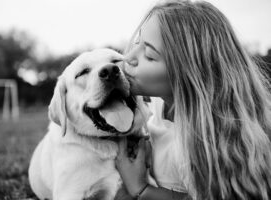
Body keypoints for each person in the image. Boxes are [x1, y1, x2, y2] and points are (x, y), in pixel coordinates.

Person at [115, 0, 271, 200]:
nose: (129, 57)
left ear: (187, 75)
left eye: (149, 55)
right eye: (138, 42)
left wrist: (140, 188)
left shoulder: (206, 141)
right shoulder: (160, 103)